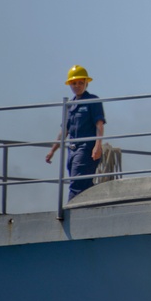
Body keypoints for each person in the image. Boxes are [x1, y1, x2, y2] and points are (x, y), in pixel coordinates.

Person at [45, 65, 106, 200]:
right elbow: (64, 131)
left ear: (86, 83)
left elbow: (99, 125)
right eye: (73, 83)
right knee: (81, 182)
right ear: (69, 85)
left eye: (80, 83)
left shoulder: (93, 101)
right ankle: (90, 207)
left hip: (86, 148)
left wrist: (97, 146)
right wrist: (52, 151)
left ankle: (70, 211)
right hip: (72, 149)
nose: (77, 86)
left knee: (77, 183)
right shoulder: (69, 105)